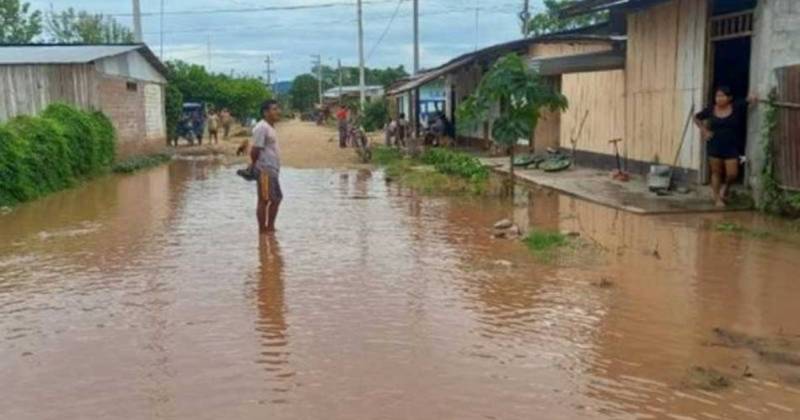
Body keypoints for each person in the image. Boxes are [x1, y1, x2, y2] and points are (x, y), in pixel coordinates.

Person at [694, 86, 757, 207]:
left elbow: (750, 100)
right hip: (715, 145)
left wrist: (753, 96)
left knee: (732, 174)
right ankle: (717, 198)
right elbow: (696, 117)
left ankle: (726, 187)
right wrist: (704, 131)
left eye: (722, 96)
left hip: (732, 146)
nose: (719, 99)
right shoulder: (711, 110)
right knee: (716, 172)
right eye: (717, 96)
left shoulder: (736, 107)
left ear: (729, 98)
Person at [251, 100, 283, 234]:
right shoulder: (261, 127)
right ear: (266, 112)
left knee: (276, 199)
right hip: (265, 169)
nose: (278, 112)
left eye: (277, 109)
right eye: (274, 109)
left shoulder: (270, 127)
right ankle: (263, 230)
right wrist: (254, 165)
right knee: (264, 199)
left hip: (272, 169)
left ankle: (270, 227)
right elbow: (255, 149)